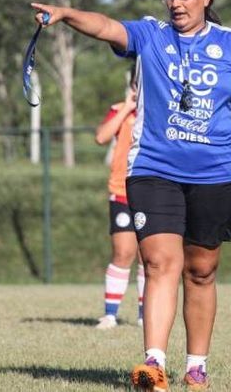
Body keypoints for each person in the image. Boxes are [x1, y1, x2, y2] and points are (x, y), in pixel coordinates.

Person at [31, 0, 231, 391]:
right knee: (161, 262)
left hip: (215, 173)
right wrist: (67, 15)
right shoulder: (150, 35)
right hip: (153, 170)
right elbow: (106, 26)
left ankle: (197, 366)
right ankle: (154, 364)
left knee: (201, 269)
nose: (176, 3)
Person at [93, 63, 144, 330]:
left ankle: (145, 315)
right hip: (122, 192)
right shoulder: (120, 111)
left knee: (151, 256)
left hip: (153, 192)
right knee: (124, 251)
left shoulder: (160, 110)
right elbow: (101, 137)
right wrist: (126, 107)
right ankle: (110, 314)